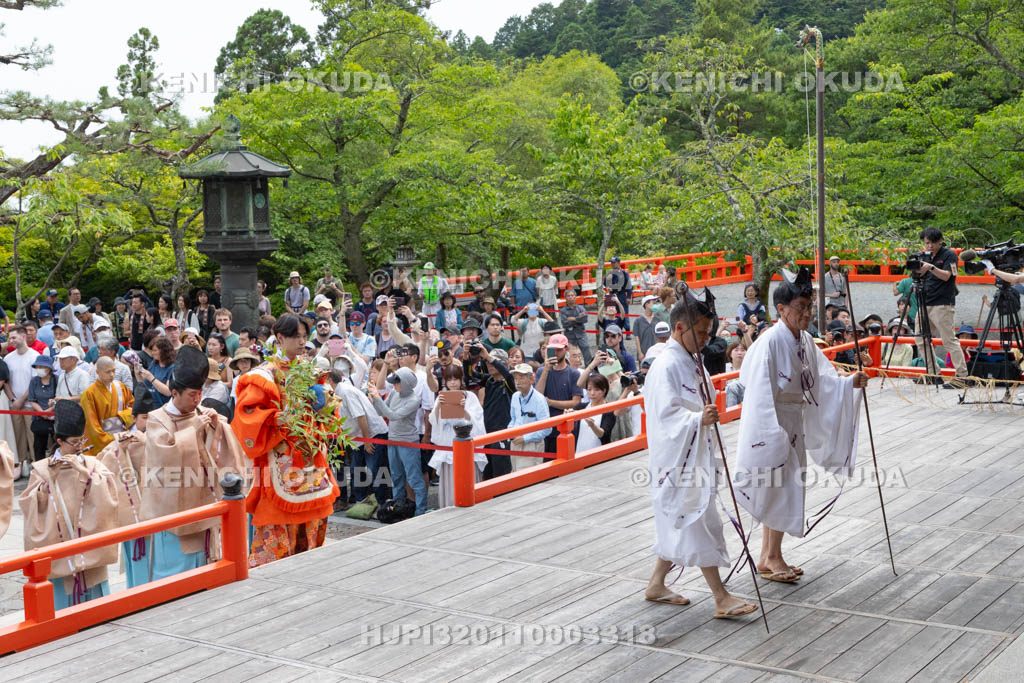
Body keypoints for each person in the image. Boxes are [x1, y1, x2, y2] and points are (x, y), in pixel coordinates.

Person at [734, 267, 868, 583]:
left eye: (809, 308)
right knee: (779, 486)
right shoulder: (770, 342)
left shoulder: (804, 339)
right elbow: (758, 391)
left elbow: (821, 381)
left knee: (785, 485)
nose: (807, 314)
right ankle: (772, 555)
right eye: (801, 308)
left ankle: (769, 554)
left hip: (793, 418)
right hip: (772, 421)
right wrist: (770, 431)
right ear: (781, 309)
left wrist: (848, 385)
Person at [643, 289, 758, 618]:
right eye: (702, 332)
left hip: (696, 452)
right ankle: (721, 597)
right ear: (680, 328)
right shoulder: (666, 365)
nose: (707, 339)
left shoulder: (691, 360)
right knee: (698, 521)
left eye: (709, 332)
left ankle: (656, 584)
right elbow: (664, 417)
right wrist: (697, 419)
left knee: (681, 520)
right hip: (678, 460)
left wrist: (703, 419)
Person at [232, 314, 339, 566]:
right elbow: (248, 414)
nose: (303, 342)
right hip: (281, 457)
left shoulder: (311, 370)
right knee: (277, 523)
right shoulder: (264, 375)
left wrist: (325, 407)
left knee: (312, 525)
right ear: (280, 338)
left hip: (311, 456)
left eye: (305, 336)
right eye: (297, 336)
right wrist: (279, 418)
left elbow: (330, 409)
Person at [144, 346, 246, 579]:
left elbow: (219, 450)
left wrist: (217, 426)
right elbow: (163, 458)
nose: (197, 399)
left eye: (199, 393)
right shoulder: (157, 419)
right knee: (176, 571)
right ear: (174, 393)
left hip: (202, 497)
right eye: (192, 395)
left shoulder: (200, 412)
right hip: (171, 502)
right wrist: (193, 431)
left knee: (205, 564)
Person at [19, 400, 119, 609]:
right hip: (60, 542)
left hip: (89, 542)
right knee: (63, 599)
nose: (79, 446)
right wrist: (44, 490)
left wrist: (85, 473)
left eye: (81, 440)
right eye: (74, 442)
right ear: (59, 441)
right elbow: (28, 503)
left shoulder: (91, 464)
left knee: (97, 606)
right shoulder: (42, 469)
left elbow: (110, 493)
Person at [97, 389, 155, 588]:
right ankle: (136, 589)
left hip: (153, 504)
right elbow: (103, 464)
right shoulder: (121, 440)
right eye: (144, 418)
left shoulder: (156, 437)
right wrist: (120, 450)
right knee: (135, 551)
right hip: (131, 505)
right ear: (134, 418)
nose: (148, 423)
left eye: (150, 418)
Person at [368, 366, 427, 515]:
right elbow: (380, 411)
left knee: (414, 478)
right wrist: (375, 400)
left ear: (406, 383)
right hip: (392, 439)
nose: (394, 385)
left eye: (397, 382)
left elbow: (393, 415)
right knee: (396, 477)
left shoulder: (414, 399)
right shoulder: (394, 393)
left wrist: (377, 398)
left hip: (408, 442)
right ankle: (398, 509)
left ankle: (420, 510)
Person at [912, 228, 968, 386]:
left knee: (948, 340)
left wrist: (930, 267)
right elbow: (915, 276)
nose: (929, 246)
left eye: (932, 243)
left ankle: (962, 376)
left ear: (940, 241)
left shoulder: (949, 255)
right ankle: (933, 373)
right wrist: (917, 269)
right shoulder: (924, 256)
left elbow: (948, 276)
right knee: (920, 338)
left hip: (942, 303)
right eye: (926, 243)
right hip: (924, 302)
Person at [428, 365, 487, 507]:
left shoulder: (470, 397)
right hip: (449, 447)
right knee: (451, 487)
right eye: (450, 379)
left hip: (467, 449)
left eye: (456, 379)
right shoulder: (442, 397)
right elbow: (434, 422)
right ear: (445, 382)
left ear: (461, 380)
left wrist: (464, 409)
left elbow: (477, 421)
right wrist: (438, 408)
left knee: (468, 485)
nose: (453, 383)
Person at [534, 333, 583, 453]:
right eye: (552, 349)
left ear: (566, 349)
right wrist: (546, 369)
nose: (555, 353)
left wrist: (550, 402)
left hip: (567, 427)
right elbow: (537, 396)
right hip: (546, 427)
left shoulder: (573, 373)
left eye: (559, 349)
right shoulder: (541, 371)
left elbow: (576, 402)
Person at [80, 356, 134, 455]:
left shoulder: (120, 387)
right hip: (103, 439)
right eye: (108, 372)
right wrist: (112, 439)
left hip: (122, 434)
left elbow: (133, 407)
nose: (112, 375)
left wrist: (122, 417)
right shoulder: (89, 394)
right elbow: (91, 425)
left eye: (113, 371)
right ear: (97, 372)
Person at [5, 326, 40, 476]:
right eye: (10, 338)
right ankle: (22, 464)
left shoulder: (34, 356)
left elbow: (34, 382)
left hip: (30, 404)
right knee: (18, 436)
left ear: (23, 336)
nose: (11, 341)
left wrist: (22, 399)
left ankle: (35, 464)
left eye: (14, 337)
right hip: (13, 405)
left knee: (32, 435)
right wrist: (13, 399)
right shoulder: (8, 358)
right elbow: (6, 382)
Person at [507, 363, 551, 470]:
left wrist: (525, 438)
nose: (517, 382)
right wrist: (510, 431)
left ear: (531, 379)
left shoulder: (539, 399)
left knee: (528, 480)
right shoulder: (515, 396)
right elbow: (513, 419)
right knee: (515, 474)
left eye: (521, 378)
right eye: (516, 378)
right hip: (515, 442)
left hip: (532, 444)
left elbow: (547, 428)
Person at [24, 355, 56, 462]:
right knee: (38, 447)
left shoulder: (56, 379)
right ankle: (39, 470)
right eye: (38, 367)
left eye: (42, 367)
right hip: (39, 418)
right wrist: (42, 412)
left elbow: (59, 397)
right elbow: (32, 400)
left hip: (55, 417)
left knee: (56, 445)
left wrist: (50, 410)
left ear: (49, 368)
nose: (40, 369)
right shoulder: (34, 381)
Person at [573, 373, 616, 452]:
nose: (592, 393)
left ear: (604, 390)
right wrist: (567, 414)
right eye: (589, 389)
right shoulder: (581, 407)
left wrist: (593, 426)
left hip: (599, 453)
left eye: (596, 390)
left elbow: (603, 434)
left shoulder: (609, 410)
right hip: (579, 451)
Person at [137, 337, 176, 409]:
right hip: (149, 405)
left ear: (164, 351)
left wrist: (151, 378)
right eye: (152, 350)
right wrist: (138, 373)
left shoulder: (172, 367)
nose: (152, 353)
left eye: (155, 350)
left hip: (163, 408)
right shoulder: (154, 363)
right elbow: (143, 383)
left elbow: (168, 392)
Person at [559, 287, 591, 364]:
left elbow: (585, 319)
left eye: (572, 295)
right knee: (570, 354)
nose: (571, 297)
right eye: (568, 296)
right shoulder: (563, 311)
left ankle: (589, 370)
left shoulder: (581, 308)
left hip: (581, 334)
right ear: (565, 298)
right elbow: (565, 323)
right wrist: (578, 318)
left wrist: (572, 319)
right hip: (569, 335)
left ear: (575, 297)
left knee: (586, 351)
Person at [725, 341, 746, 407]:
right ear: (730, 353)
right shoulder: (724, 368)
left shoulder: (749, 368)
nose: (739, 353)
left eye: (742, 350)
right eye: (736, 350)